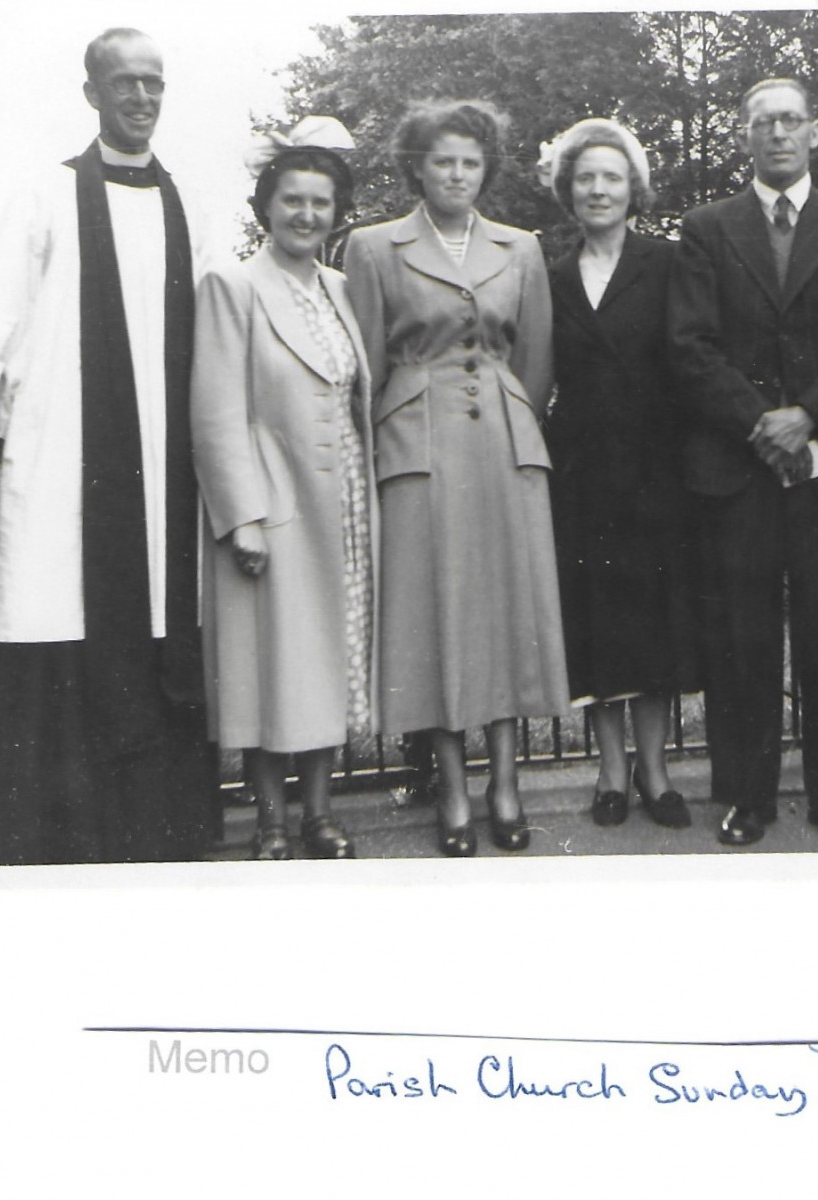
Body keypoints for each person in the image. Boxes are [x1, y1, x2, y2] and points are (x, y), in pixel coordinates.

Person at [0, 28, 214, 864]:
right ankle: (58, 832)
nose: (140, 98)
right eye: (123, 84)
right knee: (60, 597)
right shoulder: (42, 195)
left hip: (163, 472)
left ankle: (163, 827)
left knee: (155, 607)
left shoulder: (191, 204)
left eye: (153, 83)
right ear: (92, 94)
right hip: (63, 453)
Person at [668, 77, 818, 848]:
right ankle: (745, 796)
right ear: (743, 135)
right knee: (744, 637)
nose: (778, 134)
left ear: (816, 133)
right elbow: (689, 343)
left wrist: (808, 416)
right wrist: (760, 423)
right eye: (762, 122)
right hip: (739, 464)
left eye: (791, 121)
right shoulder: (705, 227)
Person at [344, 100, 566, 857]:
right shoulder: (374, 248)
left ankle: (506, 787)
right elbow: (366, 366)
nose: (457, 174)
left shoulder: (521, 248)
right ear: (417, 166)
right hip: (417, 447)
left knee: (504, 611)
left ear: (487, 168)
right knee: (431, 616)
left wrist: (510, 420)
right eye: (443, 160)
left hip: (503, 445)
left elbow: (534, 360)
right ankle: (454, 792)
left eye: (471, 161)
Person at [190, 118, 376, 861]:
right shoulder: (232, 284)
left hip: (343, 505)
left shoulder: (338, 287)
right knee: (270, 668)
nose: (306, 215)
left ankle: (320, 816)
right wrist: (243, 518)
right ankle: (270, 822)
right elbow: (214, 409)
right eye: (292, 200)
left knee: (323, 663)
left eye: (321, 203)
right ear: (266, 206)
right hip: (273, 507)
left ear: (337, 213)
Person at [543, 119, 698, 830]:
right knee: (600, 628)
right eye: (585, 178)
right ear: (568, 191)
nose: (598, 189)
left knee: (657, 627)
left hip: (658, 472)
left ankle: (657, 774)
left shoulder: (668, 263)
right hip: (582, 476)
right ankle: (610, 775)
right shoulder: (549, 276)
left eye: (610, 177)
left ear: (631, 188)